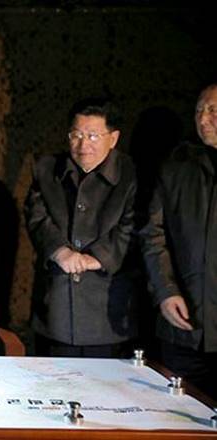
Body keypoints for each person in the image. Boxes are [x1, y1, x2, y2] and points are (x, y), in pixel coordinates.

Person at [24, 98, 138, 358]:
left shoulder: (132, 174)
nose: (83, 145)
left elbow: (133, 224)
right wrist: (59, 251)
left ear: (113, 138)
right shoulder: (47, 169)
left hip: (109, 312)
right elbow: (36, 215)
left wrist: (96, 258)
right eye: (76, 135)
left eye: (93, 136)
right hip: (57, 308)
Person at [140, 83, 217, 400]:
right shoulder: (176, 167)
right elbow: (153, 234)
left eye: (213, 110)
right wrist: (166, 291)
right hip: (185, 328)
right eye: (199, 111)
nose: (203, 119)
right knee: (180, 412)